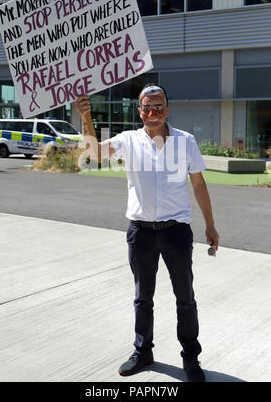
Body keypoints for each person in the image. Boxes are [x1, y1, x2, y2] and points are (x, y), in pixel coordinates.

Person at [75, 84, 219, 382]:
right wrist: (86, 117)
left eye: (158, 106)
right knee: (143, 298)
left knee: (185, 298)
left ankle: (190, 358)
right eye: (146, 108)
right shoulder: (129, 140)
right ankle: (143, 351)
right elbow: (95, 153)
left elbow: (199, 184)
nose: (152, 113)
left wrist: (210, 224)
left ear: (168, 108)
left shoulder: (185, 141)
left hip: (176, 232)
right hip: (140, 233)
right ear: (139, 111)